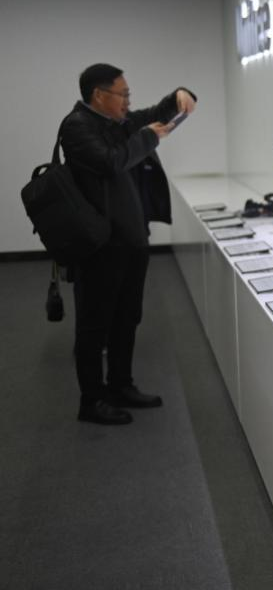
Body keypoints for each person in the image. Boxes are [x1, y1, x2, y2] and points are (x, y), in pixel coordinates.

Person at [59, 63, 196, 425]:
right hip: (100, 247)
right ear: (98, 95)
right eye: (122, 94)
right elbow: (111, 162)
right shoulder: (77, 127)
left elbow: (153, 115)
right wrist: (148, 137)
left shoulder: (116, 122)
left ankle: (121, 385)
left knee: (126, 318)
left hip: (131, 240)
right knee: (95, 325)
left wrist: (179, 96)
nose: (127, 102)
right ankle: (91, 400)